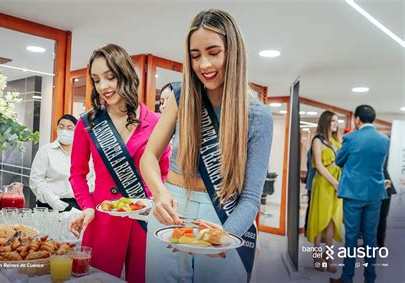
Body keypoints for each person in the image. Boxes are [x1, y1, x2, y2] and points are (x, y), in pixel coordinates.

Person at [140, 9, 273, 283]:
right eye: (195, 55)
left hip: (222, 215)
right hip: (171, 209)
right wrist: (160, 193)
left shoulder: (257, 116)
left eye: (214, 52)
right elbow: (149, 157)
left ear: (232, 52)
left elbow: (250, 198)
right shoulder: (180, 97)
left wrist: (228, 234)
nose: (204, 64)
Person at [68, 44, 170, 283]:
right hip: (102, 220)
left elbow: (163, 172)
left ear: (125, 74)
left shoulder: (155, 122)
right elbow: (77, 174)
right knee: (97, 279)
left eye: (110, 77)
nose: (103, 86)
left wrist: (153, 200)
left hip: (143, 220)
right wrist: (86, 206)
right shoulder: (88, 123)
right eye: (96, 79)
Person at [330, 105, 389, 283]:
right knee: (371, 238)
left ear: (357, 119)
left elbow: (339, 161)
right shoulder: (384, 139)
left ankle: (347, 278)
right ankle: (370, 278)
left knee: (352, 237)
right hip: (375, 194)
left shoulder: (350, 138)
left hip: (353, 194)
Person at [306, 110, 342, 273]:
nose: (336, 124)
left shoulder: (336, 140)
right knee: (319, 220)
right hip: (324, 183)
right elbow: (319, 166)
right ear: (326, 122)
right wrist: (335, 182)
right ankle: (317, 257)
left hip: (337, 184)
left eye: (337, 121)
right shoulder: (317, 140)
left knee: (332, 222)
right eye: (333, 121)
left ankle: (328, 258)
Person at [30, 114, 81, 212]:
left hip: (77, 205)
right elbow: (36, 181)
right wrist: (54, 201)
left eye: (69, 128)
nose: (64, 130)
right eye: (61, 127)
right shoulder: (46, 151)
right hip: (49, 205)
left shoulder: (83, 153)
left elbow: (92, 180)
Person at [377, 156, 396, 248]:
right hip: (385, 187)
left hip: (383, 188)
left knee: (378, 218)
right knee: (380, 218)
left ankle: (377, 244)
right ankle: (378, 244)